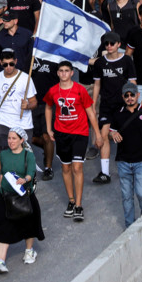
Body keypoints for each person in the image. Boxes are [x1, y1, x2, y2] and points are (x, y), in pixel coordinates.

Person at [44, 61, 102, 223]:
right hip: (61, 134)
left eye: (66, 71)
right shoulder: (53, 91)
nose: (63, 73)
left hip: (79, 132)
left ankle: (78, 205)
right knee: (66, 167)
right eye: (61, 71)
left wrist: (97, 134)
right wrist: (49, 129)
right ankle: (70, 200)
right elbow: (48, 107)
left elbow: (90, 112)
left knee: (77, 167)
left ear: (71, 73)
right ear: (58, 73)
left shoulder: (80, 89)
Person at [0, 128, 43, 273]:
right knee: (2, 224)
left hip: (24, 196)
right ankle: (1, 261)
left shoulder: (28, 156)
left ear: (22, 140)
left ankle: (29, 251)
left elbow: (31, 173)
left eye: (14, 138)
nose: (10, 141)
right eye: (9, 138)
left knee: (29, 224)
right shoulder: (3, 155)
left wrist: (25, 180)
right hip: (5, 196)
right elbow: (2, 174)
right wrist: (1, 190)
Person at [110, 83, 142, 227]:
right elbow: (111, 134)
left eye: (132, 94)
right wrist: (112, 133)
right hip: (123, 161)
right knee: (126, 197)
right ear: (123, 97)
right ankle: (130, 228)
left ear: (138, 95)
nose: (129, 98)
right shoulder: (118, 113)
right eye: (126, 95)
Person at [91, 31, 137, 185]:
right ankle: (105, 173)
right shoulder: (99, 63)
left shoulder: (127, 61)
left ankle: (131, 168)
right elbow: (97, 84)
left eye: (112, 43)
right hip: (106, 105)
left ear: (118, 44)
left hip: (124, 105)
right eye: (106, 44)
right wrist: (93, 103)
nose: (109, 46)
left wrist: (133, 102)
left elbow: (132, 82)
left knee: (127, 136)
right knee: (104, 137)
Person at [0, 49, 36, 154]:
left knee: (24, 158)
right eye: (5, 64)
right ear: (0, 63)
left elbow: (34, 101)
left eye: (11, 64)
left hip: (23, 123)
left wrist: (28, 106)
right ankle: (3, 172)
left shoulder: (26, 78)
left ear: (16, 61)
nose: (8, 67)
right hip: (2, 122)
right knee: (3, 156)